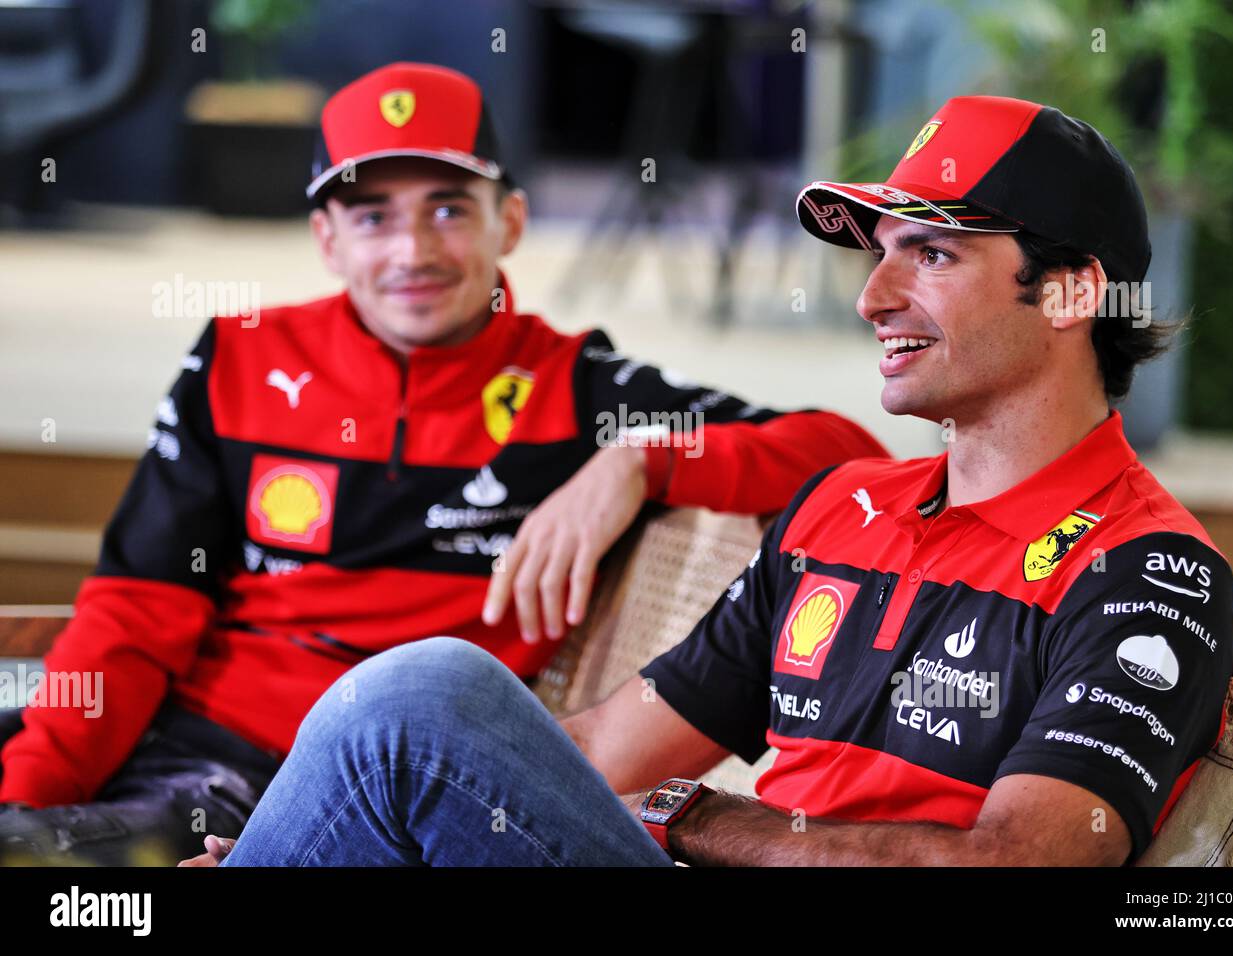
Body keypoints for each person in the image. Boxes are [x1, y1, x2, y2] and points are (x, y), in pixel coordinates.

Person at [188, 93, 1233, 868]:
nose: (873, 295)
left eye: (930, 254)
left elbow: (1017, 863)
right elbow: (601, 749)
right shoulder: (842, 507)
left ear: (1067, 292)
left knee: (427, 688)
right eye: (879, 253)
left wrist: (694, 819)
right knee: (410, 719)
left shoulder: (1148, 571)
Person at [0, 62, 887, 865]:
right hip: (185, 729)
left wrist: (640, 463)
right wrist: (33, 782)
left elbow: (846, 454)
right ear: (326, 238)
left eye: (448, 209)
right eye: (372, 215)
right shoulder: (237, 356)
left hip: (343, 782)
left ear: (511, 223)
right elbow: (138, 604)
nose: (412, 252)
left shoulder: (575, 386)